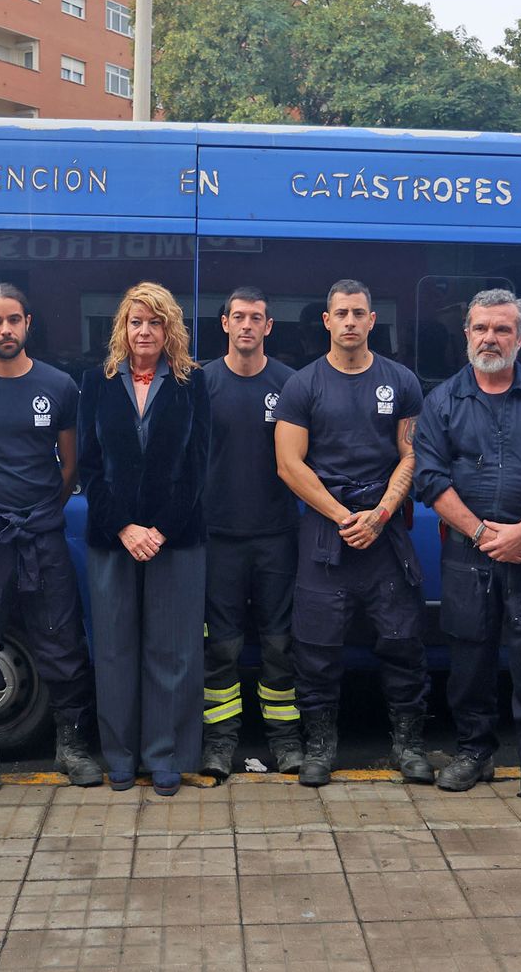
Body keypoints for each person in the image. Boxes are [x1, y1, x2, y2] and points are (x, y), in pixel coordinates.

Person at [415, 289, 521, 810]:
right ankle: (474, 752)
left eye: (502, 329)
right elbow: (429, 478)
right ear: (466, 334)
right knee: (470, 663)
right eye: (481, 328)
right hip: (468, 557)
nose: (490, 338)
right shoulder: (442, 401)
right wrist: (485, 536)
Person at [0, 284, 101, 788]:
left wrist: (38, 511)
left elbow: (69, 466)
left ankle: (71, 745)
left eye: (14, 320)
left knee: (62, 640)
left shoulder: (59, 386)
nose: (5, 329)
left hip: (40, 535)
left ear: (28, 323)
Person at [274, 279, 430, 788]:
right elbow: (288, 464)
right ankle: (320, 747)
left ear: (372, 320)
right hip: (327, 533)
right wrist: (345, 516)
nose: (349, 321)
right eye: (340, 313)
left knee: (403, 642)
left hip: (385, 532)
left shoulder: (401, 380)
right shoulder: (303, 385)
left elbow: (412, 454)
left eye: (358, 312)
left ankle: (408, 746)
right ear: (326, 320)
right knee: (315, 648)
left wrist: (380, 514)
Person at [78, 282, 210, 796]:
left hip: (175, 539)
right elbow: (89, 467)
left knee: (172, 651)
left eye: (156, 322)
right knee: (114, 649)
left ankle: (166, 756)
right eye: (136, 322)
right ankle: (120, 756)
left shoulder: (192, 383)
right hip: (113, 538)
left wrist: (159, 529)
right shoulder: (97, 382)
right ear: (123, 328)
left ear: (170, 328)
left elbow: (197, 467)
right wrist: (124, 527)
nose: (145, 331)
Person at [199, 287, 302, 779]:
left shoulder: (290, 384)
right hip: (217, 536)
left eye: (256, 317)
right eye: (237, 316)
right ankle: (220, 743)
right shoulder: (201, 382)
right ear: (224, 323)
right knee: (221, 647)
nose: (246, 325)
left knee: (280, 644)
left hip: (276, 536)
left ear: (268, 326)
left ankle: (286, 741)